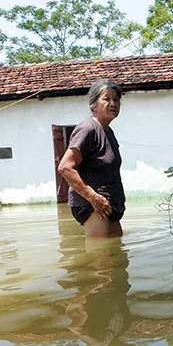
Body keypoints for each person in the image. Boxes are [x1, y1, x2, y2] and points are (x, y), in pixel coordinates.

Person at [58, 80, 125, 238]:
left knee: (116, 256)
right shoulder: (88, 129)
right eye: (106, 99)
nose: (113, 103)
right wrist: (93, 198)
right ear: (94, 105)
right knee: (100, 258)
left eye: (116, 99)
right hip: (92, 205)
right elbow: (65, 167)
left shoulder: (108, 131)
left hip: (109, 204)